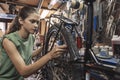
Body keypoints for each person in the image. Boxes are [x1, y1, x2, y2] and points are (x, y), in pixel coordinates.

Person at [0, 6, 67, 80]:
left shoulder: (31, 38)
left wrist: (43, 48)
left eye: (37, 22)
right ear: (21, 21)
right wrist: (50, 55)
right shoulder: (9, 41)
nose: (36, 25)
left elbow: (28, 55)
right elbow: (24, 72)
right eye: (32, 21)